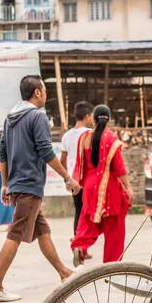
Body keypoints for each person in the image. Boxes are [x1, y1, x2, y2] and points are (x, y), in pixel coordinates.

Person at [0, 75, 80, 302]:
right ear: (37, 92)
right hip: (29, 185)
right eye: (45, 90)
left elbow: (4, 153)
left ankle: (64, 273)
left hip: (17, 184)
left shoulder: (10, 118)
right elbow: (46, 152)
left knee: (42, 230)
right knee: (15, 233)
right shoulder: (37, 116)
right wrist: (68, 178)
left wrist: (6, 184)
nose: (46, 94)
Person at [70, 105, 134, 267]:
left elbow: (80, 165)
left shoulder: (84, 138)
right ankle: (111, 265)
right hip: (109, 189)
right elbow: (119, 167)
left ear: (93, 119)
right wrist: (128, 187)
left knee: (88, 221)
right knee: (115, 227)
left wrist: (76, 182)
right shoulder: (111, 138)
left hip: (90, 188)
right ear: (109, 119)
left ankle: (80, 247)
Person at [60, 101, 94, 237]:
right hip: (89, 179)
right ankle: (84, 243)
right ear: (87, 116)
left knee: (79, 211)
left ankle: (78, 244)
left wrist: (67, 179)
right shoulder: (91, 134)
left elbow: (63, 160)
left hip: (74, 181)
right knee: (91, 212)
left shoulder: (66, 136)